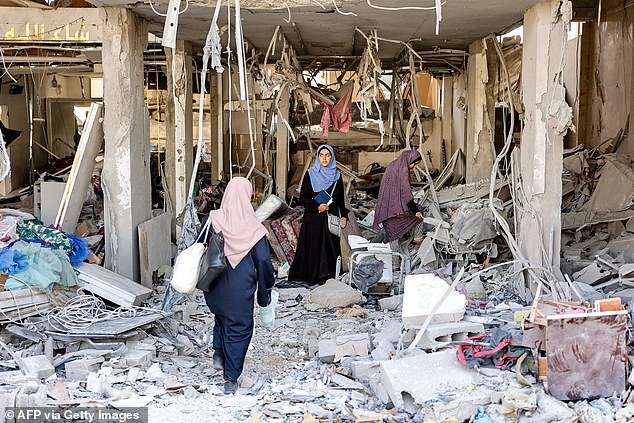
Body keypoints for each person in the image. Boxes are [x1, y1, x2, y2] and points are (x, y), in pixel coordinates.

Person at [203, 177, 275, 395]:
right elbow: (263, 262)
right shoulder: (255, 229)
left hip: (213, 283)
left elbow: (199, 245)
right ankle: (231, 377)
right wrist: (265, 295)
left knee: (222, 317)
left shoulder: (213, 219)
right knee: (240, 328)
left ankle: (218, 353)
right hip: (239, 286)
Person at [289, 144, 349, 285]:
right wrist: (317, 207)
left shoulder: (337, 176)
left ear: (332, 157)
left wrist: (344, 216)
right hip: (314, 219)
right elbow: (303, 198)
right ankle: (313, 276)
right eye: (321, 155)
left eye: (327, 155)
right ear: (317, 157)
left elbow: (341, 200)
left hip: (331, 219)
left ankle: (328, 278)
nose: (324, 158)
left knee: (330, 249)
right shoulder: (311, 174)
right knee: (314, 248)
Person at [373, 149, 424, 269]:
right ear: (410, 160)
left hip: (387, 209)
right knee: (420, 211)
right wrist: (415, 211)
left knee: (392, 235)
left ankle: (394, 265)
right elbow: (406, 194)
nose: (414, 167)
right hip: (396, 212)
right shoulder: (403, 170)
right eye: (415, 164)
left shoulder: (393, 165)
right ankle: (417, 239)